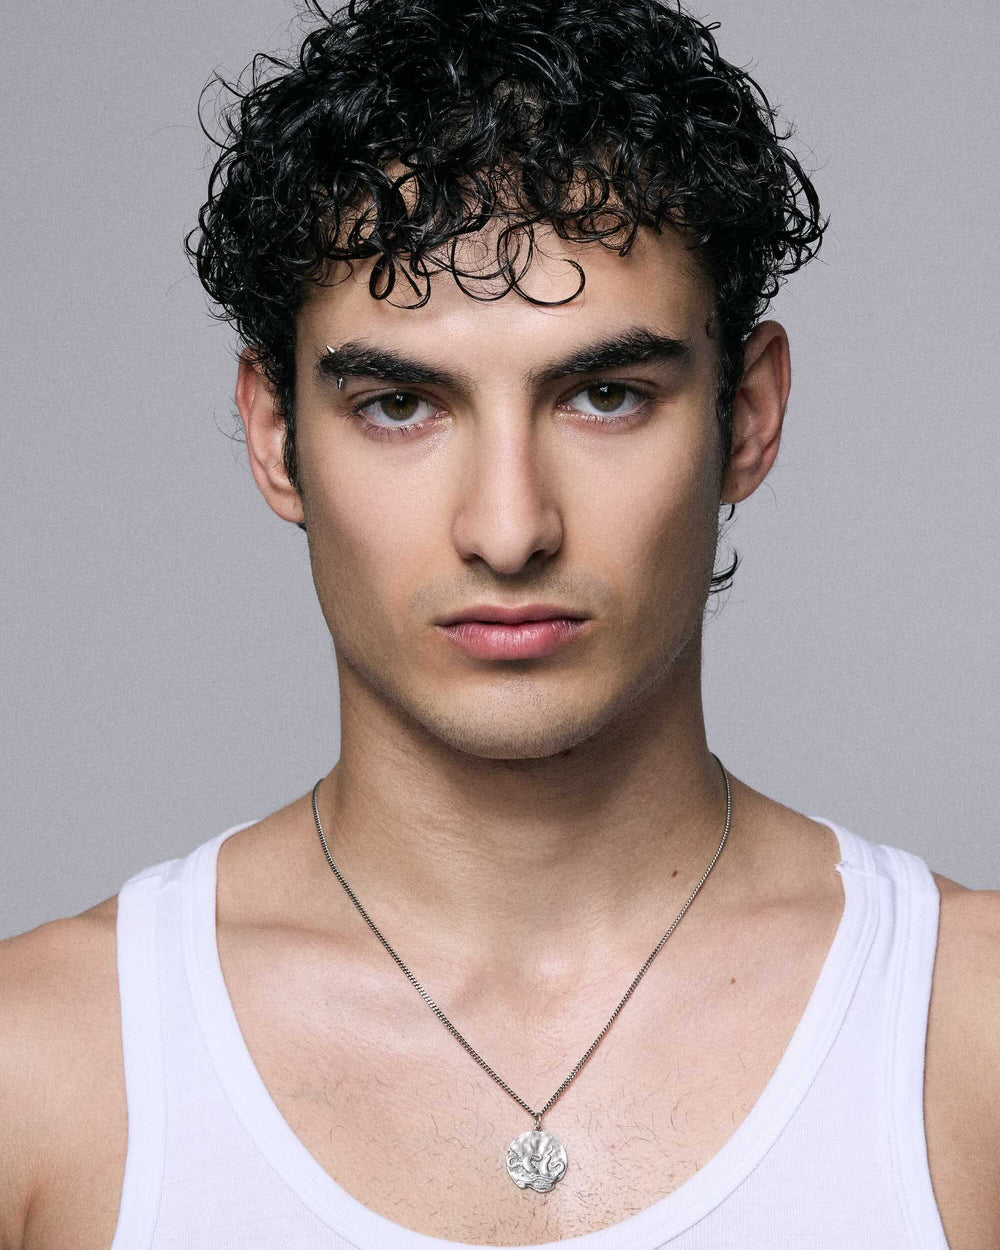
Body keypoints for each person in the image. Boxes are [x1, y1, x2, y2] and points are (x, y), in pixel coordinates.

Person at [1, 0, 997, 1245]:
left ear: (745, 416)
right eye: (402, 405)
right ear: (275, 436)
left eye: (605, 394)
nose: (509, 527)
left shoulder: (971, 1037)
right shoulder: (40, 1071)